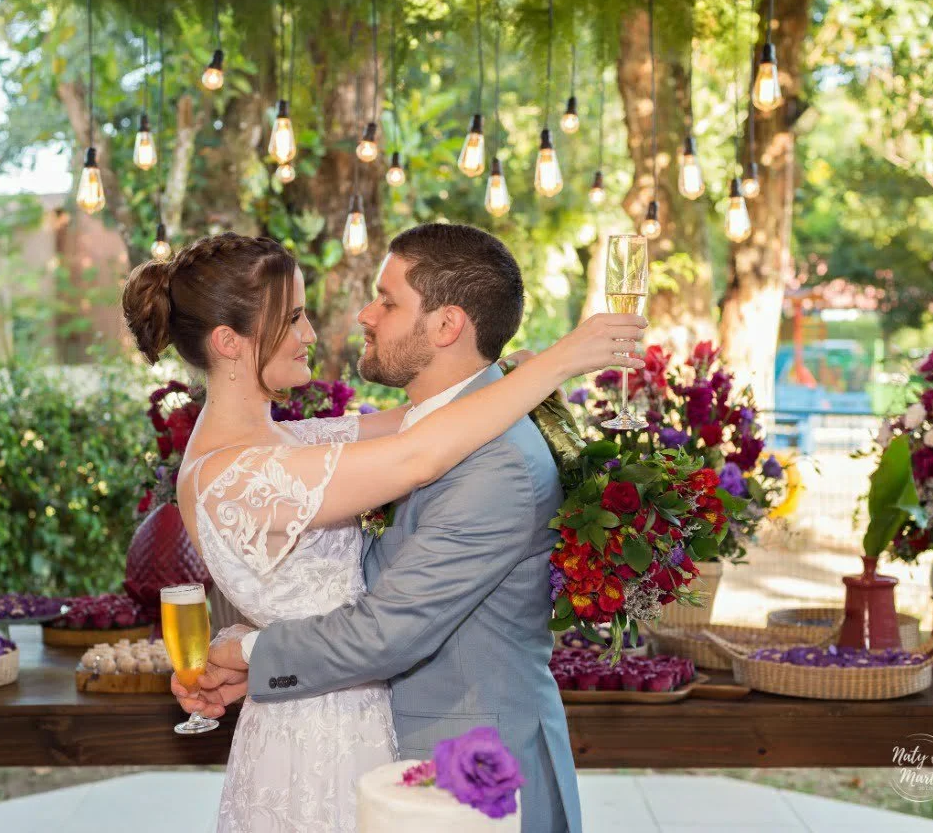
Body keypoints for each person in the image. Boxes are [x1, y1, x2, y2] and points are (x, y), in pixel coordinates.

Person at [124, 226, 646, 832]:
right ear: (229, 342)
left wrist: (512, 371)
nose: (314, 333)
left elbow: (415, 425)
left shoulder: (295, 442)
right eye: (293, 317)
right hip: (319, 744)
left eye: (387, 301)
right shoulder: (244, 473)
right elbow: (417, 454)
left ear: (447, 325)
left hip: (386, 734)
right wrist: (563, 359)